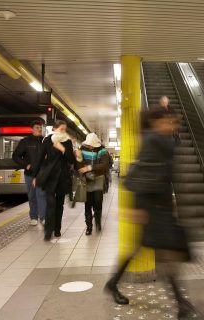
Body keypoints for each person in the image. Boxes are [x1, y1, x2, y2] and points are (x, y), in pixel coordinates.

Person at [104, 107, 196, 319]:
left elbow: (161, 173)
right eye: (169, 121)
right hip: (153, 207)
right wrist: (140, 208)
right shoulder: (154, 140)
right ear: (155, 122)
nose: (174, 125)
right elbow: (143, 175)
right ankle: (182, 306)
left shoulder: (161, 140)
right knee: (165, 255)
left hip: (159, 205)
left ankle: (113, 283)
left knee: (148, 249)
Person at [32, 120, 75, 241]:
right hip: (50, 177)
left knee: (59, 205)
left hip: (62, 177)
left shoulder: (67, 142)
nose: (63, 131)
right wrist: (35, 176)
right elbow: (39, 159)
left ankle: (57, 229)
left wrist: (63, 149)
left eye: (64, 129)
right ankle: (48, 231)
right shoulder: (47, 140)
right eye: (61, 129)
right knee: (50, 204)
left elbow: (72, 160)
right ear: (54, 129)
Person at [12, 119, 46, 226]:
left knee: (41, 195)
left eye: (40, 128)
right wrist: (25, 165)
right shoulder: (25, 142)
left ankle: (43, 217)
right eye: (37, 128)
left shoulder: (45, 142)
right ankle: (34, 217)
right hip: (30, 174)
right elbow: (15, 156)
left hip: (41, 173)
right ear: (31, 129)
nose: (39, 130)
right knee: (32, 196)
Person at [75, 133, 111, 235]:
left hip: (98, 179)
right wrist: (79, 159)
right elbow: (78, 167)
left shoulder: (102, 151)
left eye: (92, 145)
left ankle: (98, 222)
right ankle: (89, 227)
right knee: (88, 203)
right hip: (87, 180)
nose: (90, 146)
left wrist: (90, 167)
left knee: (98, 201)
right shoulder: (82, 150)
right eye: (89, 145)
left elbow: (105, 165)